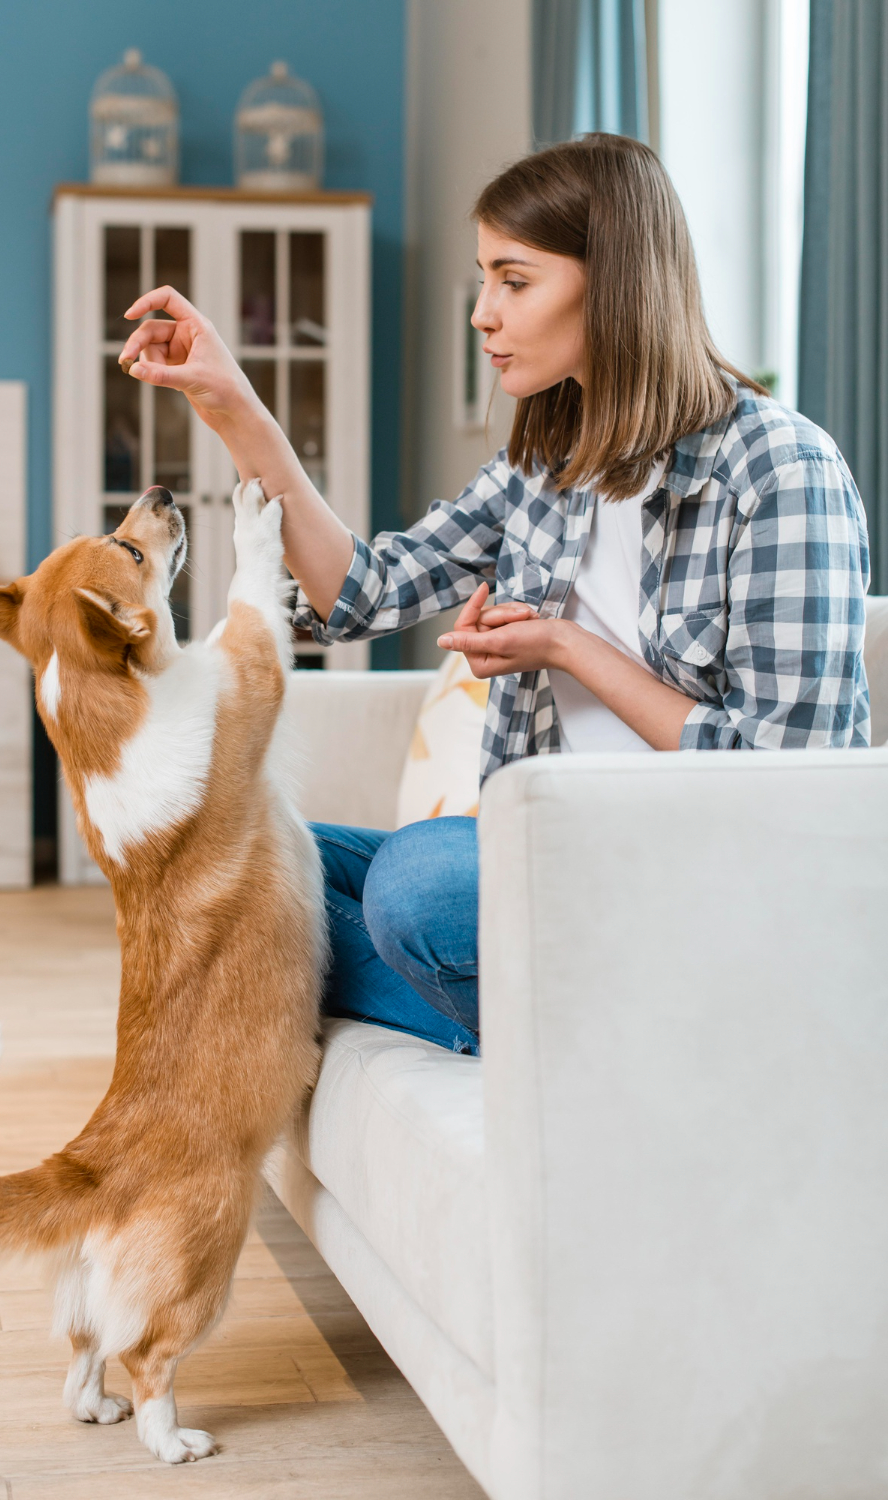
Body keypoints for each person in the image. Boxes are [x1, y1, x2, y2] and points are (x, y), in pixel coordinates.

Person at [118, 133, 870, 1058]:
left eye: (514, 281)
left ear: (618, 281)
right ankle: (562, 1025)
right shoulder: (547, 468)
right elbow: (361, 592)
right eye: (485, 280)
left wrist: (564, 646)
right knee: (222, 855)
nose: (483, 314)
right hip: (554, 859)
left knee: (422, 887)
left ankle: (631, 1034)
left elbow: (784, 775)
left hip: (701, 886)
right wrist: (232, 401)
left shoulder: (778, 468)